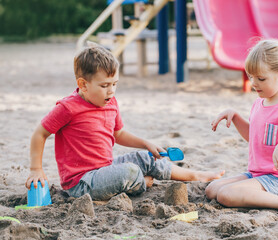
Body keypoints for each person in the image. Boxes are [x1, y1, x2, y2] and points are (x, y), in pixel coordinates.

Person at [25, 45, 225, 201]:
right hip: (82, 182)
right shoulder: (68, 108)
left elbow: (118, 134)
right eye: (104, 86)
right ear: (83, 85)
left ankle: (195, 175)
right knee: (130, 172)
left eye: (114, 84)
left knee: (147, 158)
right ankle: (141, 183)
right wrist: (36, 168)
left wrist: (145, 143)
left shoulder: (110, 102)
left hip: (106, 167)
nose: (111, 91)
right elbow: (39, 134)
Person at [206, 39, 278, 211]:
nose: (253, 83)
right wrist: (235, 116)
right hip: (258, 173)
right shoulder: (259, 103)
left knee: (226, 195)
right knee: (212, 190)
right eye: (251, 77)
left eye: (261, 78)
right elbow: (255, 137)